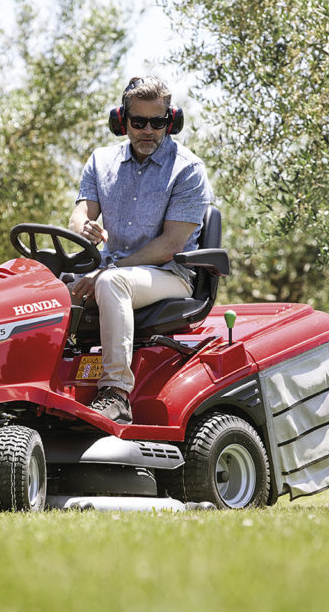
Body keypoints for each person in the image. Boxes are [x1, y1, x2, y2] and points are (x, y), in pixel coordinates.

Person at [68, 76, 213, 424]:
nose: (148, 130)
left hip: (170, 275)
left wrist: (110, 269)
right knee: (45, 290)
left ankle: (116, 393)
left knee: (110, 284)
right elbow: (80, 213)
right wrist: (82, 227)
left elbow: (170, 246)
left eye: (158, 122)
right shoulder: (100, 162)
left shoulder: (188, 169)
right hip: (112, 270)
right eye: (139, 122)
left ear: (171, 121)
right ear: (122, 121)